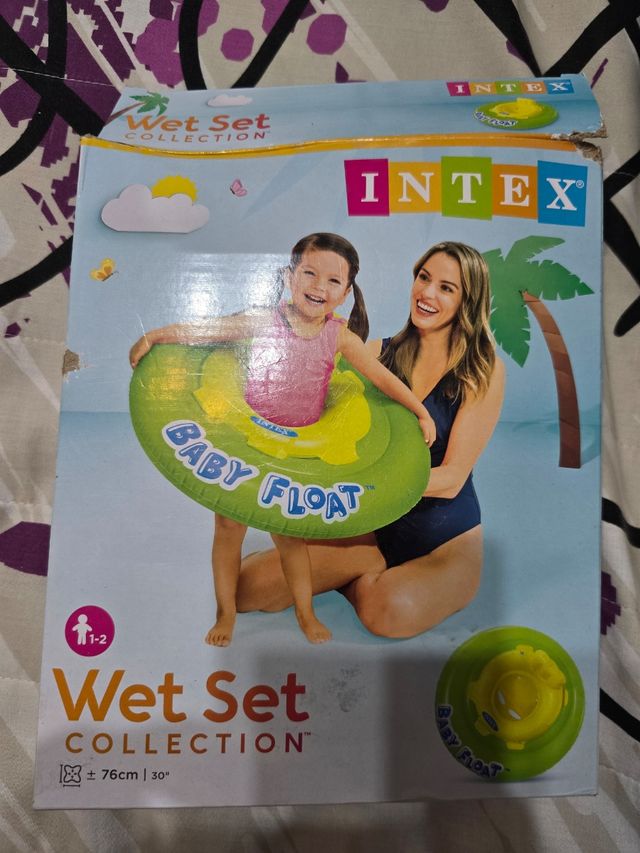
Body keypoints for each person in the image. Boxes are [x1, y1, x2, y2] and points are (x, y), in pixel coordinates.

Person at [129, 233, 436, 646]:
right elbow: (210, 330)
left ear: (346, 293)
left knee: (291, 538)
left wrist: (420, 411)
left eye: (333, 281)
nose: (318, 287)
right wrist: (155, 335)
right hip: (245, 436)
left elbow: (381, 378)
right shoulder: (263, 321)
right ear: (289, 276)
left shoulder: (340, 337)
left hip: (299, 447)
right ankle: (225, 613)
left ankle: (305, 612)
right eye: (309, 273)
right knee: (227, 526)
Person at [235, 241, 505, 639]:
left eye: (446, 288)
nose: (427, 293)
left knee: (388, 613)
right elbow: (319, 420)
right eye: (424, 277)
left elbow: (451, 480)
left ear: (468, 301)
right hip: (368, 530)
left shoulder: (482, 370)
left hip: (443, 540)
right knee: (244, 588)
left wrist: (363, 486)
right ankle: (363, 567)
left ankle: (355, 579)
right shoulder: (374, 354)